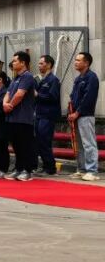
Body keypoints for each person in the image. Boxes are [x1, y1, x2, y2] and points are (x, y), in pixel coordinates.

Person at [4, 51, 37, 181]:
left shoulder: (27, 76)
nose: (13, 63)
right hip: (13, 117)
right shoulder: (16, 78)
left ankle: (27, 170)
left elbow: (19, 94)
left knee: (25, 145)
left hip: (23, 117)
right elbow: (8, 93)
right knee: (16, 145)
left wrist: (10, 105)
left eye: (15, 61)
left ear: (23, 63)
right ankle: (18, 168)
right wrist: (4, 104)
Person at [68, 51, 99, 182]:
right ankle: (82, 169)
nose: (75, 62)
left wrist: (77, 112)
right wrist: (71, 112)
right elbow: (73, 96)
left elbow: (88, 98)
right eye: (75, 60)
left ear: (86, 63)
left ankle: (92, 170)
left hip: (85, 115)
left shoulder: (91, 77)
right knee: (79, 145)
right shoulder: (78, 79)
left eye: (78, 60)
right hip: (75, 116)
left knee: (88, 144)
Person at [35, 55, 61, 176]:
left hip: (48, 115)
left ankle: (50, 168)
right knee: (39, 140)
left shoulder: (53, 80)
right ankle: (46, 165)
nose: (39, 66)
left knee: (45, 140)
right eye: (39, 63)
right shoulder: (43, 80)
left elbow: (53, 97)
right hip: (40, 114)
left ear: (49, 65)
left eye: (42, 63)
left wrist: (38, 95)